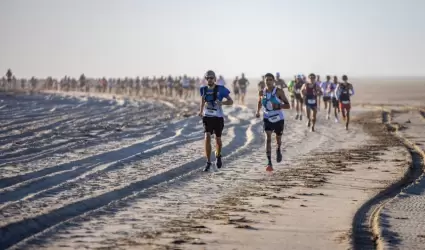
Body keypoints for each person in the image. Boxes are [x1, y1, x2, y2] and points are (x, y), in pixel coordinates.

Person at [199, 70, 233, 172]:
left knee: (218, 139)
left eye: (211, 78)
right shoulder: (203, 89)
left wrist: (222, 103)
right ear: (206, 79)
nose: (209, 79)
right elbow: (202, 101)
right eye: (208, 78)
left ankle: (218, 155)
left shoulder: (221, 89)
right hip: (207, 117)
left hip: (218, 117)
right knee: (207, 136)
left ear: (215, 79)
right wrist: (200, 111)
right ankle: (208, 162)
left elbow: (231, 101)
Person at [255, 73, 290, 171]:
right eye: (267, 80)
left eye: (270, 80)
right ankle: (269, 162)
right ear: (264, 81)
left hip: (278, 118)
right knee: (268, 138)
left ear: (273, 81)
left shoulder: (279, 91)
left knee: (278, 139)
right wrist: (257, 111)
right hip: (267, 117)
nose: (268, 81)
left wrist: (278, 106)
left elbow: (288, 105)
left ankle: (278, 149)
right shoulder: (261, 92)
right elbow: (259, 102)